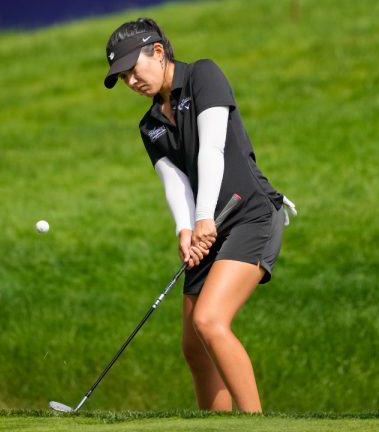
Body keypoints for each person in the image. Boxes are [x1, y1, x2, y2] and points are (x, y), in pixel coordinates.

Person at [103, 17, 296, 413]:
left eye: (132, 70)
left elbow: (212, 150)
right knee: (194, 346)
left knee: (209, 320)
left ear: (157, 52)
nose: (130, 83)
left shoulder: (203, 75)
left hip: (250, 214)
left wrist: (205, 217)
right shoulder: (150, 125)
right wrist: (185, 229)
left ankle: (256, 422)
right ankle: (216, 423)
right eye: (122, 78)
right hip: (210, 225)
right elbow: (175, 183)